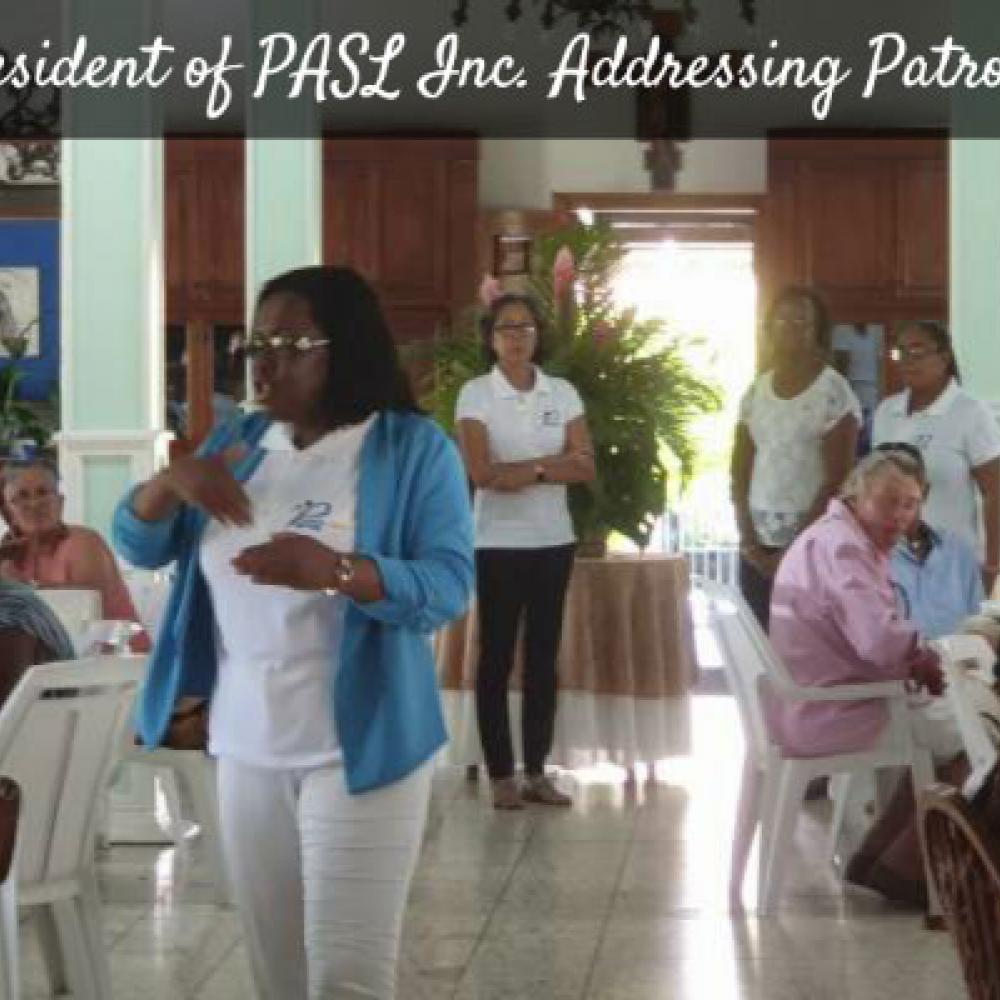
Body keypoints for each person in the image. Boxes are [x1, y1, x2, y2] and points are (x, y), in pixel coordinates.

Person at [112, 265, 474, 1000]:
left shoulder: (411, 449)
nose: (265, 363)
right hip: (247, 746)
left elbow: (446, 588)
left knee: (346, 977)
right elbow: (139, 544)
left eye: (289, 344)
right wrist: (169, 483)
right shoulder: (242, 442)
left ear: (346, 347)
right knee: (278, 974)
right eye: (257, 344)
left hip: (361, 748)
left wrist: (337, 571)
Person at [769, 449, 963, 904]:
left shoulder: (831, 534)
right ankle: (909, 869)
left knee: (952, 723)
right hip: (831, 711)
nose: (900, 516)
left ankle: (881, 857)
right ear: (855, 495)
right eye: (887, 502)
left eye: (910, 504)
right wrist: (922, 654)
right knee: (976, 736)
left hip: (809, 703)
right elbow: (878, 642)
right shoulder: (845, 548)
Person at [455, 292, 595, 811]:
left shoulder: (562, 391)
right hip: (496, 543)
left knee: (542, 658)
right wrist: (552, 465)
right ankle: (500, 774)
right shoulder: (476, 394)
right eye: (506, 328)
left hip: (552, 540)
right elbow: (482, 473)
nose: (517, 337)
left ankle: (536, 769)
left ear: (539, 335)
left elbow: (585, 465)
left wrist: (529, 471)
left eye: (526, 327)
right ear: (490, 338)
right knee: (495, 657)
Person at [731, 286, 861, 631]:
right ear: (769, 326)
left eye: (802, 320)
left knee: (806, 642)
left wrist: (792, 549)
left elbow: (837, 481)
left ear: (818, 329)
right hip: (757, 545)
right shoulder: (756, 391)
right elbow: (739, 471)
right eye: (782, 319)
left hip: (813, 544)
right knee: (758, 641)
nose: (790, 327)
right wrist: (748, 541)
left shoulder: (834, 392)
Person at [873, 320, 1000, 595]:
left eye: (917, 351)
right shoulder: (886, 412)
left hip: (952, 564)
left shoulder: (971, 413)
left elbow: (995, 492)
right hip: (893, 561)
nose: (907, 360)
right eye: (901, 352)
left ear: (944, 357)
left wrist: (992, 564)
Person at [0, 459, 150, 653]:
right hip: (45, 663)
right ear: (8, 510)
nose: (35, 503)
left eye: (43, 493)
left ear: (60, 502)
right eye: (22, 496)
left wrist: (21, 588)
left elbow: (80, 608)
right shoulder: (8, 554)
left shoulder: (83, 541)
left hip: (118, 659)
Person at [878, 441, 985, 640]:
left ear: (924, 492)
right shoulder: (864, 556)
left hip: (960, 657)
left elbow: (978, 624)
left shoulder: (957, 552)